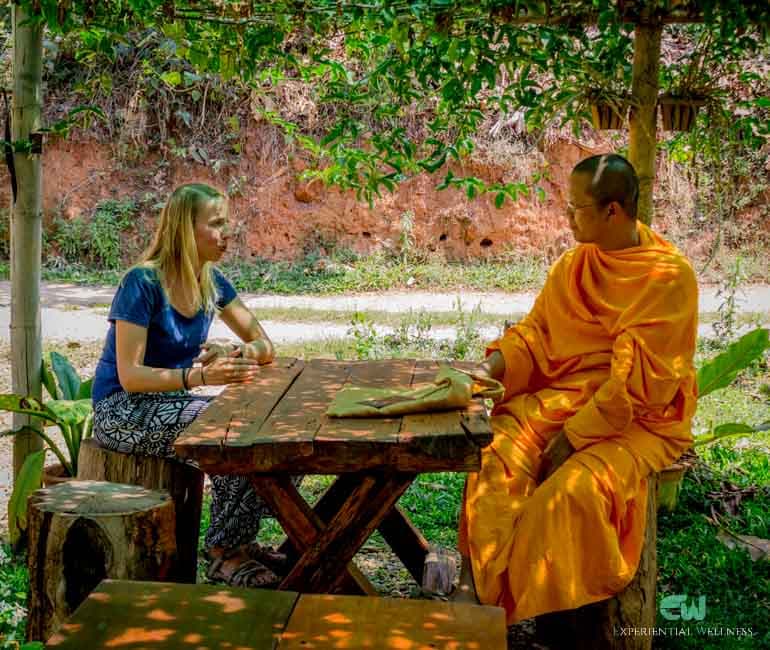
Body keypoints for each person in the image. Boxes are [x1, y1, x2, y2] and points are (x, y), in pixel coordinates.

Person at [455, 154, 698, 623]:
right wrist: (487, 369)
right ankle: (476, 585)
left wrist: (573, 437)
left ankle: (499, 602)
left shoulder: (668, 278)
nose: (566, 217)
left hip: (634, 424)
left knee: (565, 497)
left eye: (576, 207)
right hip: (563, 400)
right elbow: (535, 335)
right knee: (494, 454)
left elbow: (641, 388)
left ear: (613, 211)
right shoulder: (573, 266)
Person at [92, 182, 286, 588]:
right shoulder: (142, 283)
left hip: (171, 403)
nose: (226, 233)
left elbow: (265, 346)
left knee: (268, 428)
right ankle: (225, 553)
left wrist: (236, 351)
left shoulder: (213, 282)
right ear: (185, 228)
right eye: (215, 224)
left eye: (226, 223)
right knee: (232, 432)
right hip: (121, 410)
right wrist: (198, 377)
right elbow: (130, 376)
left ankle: (236, 543)